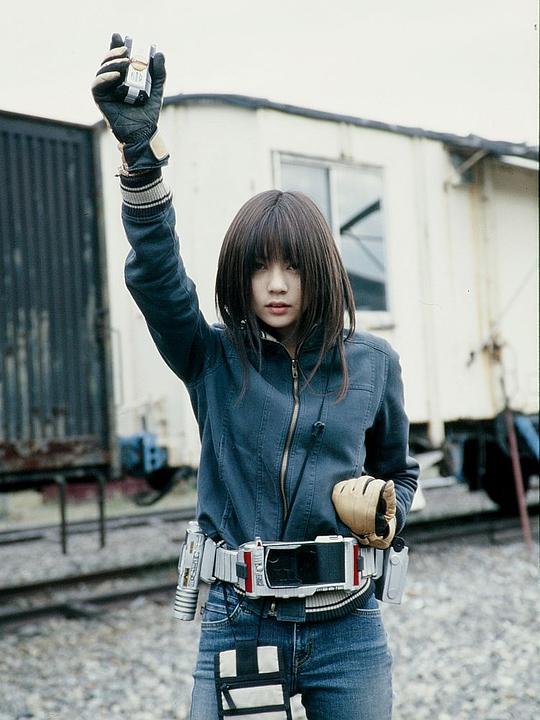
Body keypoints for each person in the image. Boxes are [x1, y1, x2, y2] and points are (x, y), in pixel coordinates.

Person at [92, 34, 419, 720]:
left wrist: (387, 511)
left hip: (348, 630)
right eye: (259, 267)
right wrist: (140, 160)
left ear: (319, 270)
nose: (275, 284)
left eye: (292, 266)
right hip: (240, 621)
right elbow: (159, 281)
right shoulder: (211, 358)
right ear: (239, 277)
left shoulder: (373, 364)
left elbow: (399, 470)